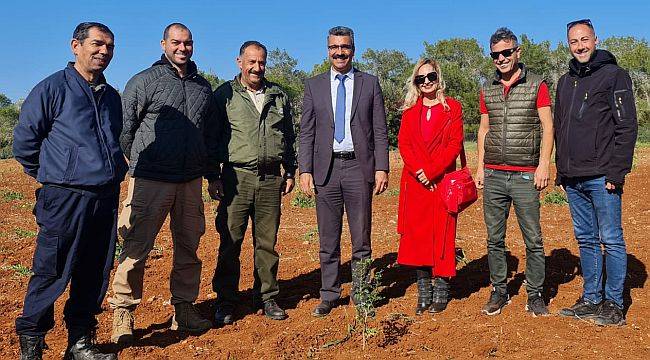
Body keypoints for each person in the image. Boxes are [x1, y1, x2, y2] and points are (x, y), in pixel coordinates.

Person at [13, 22, 126, 360]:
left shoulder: (110, 96)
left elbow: (113, 139)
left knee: (94, 270)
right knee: (52, 269)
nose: (103, 51)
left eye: (109, 46)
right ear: (75, 46)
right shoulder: (52, 89)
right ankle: (32, 342)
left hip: (104, 197)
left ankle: (80, 342)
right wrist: (54, 175)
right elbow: (25, 142)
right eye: (97, 43)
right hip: (64, 198)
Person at [109, 23, 219, 343]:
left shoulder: (202, 87)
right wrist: (140, 163)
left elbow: (209, 136)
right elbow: (124, 129)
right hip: (150, 180)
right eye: (176, 42)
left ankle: (183, 308)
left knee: (189, 247)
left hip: (189, 182)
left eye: (188, 43)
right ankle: (123, 311)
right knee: (135, 246)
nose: (182, 48)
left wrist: (210, 171)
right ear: (163, 44)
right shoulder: (144, 81)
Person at [299, 26, 390, 317]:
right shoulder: (313, 85)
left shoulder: (369, 83)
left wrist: (381, 167)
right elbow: (306, 132)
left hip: (358, 168)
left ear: (354, 49)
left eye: (345, 47)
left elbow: (379, 129)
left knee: (361, 238)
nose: (340, 52)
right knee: (328, 238)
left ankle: (361, 294)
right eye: (334, 47)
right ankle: (329, 294)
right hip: (325, 169)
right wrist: (305, 170)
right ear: (327, 50)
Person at [555, 19, 638, 326]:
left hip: (603, 175)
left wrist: (617, 172)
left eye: (585, 39)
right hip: (573, 177)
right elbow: (562, 127)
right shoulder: (565, 82)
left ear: (595, 39)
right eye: (574, 41)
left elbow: (627, 126)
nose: (580, 46)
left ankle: (614, 304)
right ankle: (591, 298)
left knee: (611, 238)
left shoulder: (614, 75)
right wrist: (561, 172)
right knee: (586, 239)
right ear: (569, 45)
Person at [210, 40, 297, 325]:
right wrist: (213, 175)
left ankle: (267, 297)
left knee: (267, 243)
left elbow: (289, 136)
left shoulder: (278, 96)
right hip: (236, 178)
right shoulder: (225, 95)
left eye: (261, 62)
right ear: (239, 62)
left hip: (271, 178)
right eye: (251, 62)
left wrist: (291, 170)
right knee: (230, 242)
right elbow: (211, 138)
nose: (257, 67)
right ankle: (226, 301)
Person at [475, 27, 554, 317]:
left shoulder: (537, 85)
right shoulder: (487, 88)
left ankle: (535, 294)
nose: (501, 58)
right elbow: (484, 129)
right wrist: (480, 167)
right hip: (494, 174)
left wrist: (544, 164)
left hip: (525, 174)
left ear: (518, 52)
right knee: (494, 239)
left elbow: (548, 126)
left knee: (533, 238)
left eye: (507, 52)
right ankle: (499, 290)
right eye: (496, 54)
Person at [396, 59, 464, 315]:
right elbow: (405, 145)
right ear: (415, 82)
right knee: (418, 238)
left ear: (438, 78)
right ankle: (424, 290)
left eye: (430, 77)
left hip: (441, 182)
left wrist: (433, 172)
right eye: (420, 79)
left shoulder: (452, 108)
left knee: (443, 235)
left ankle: (442, 289)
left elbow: (454, 144)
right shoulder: (409, 112)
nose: (426, 82)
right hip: (415, 183)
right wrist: (420, 172)